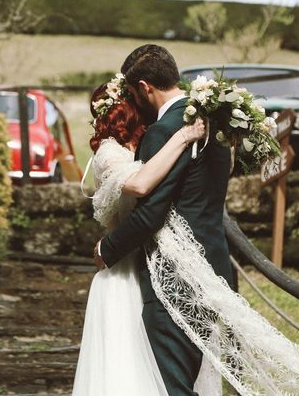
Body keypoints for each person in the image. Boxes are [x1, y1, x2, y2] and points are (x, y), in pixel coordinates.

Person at [77, 44, 299, 396]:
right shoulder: (216, 124)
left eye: (134, 93)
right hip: (214, 269)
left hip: (175, 280)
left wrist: (108, 248)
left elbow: (151, 212)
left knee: (172, 385)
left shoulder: (162, 133)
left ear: (145, 88)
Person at [72, 81, 209, 396]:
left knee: (157, 367)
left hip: (154, 265)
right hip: (122, 273)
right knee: (125, 367)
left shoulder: (147, 143)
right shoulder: (108, 153)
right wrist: (183, 136)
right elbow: (139, 184)